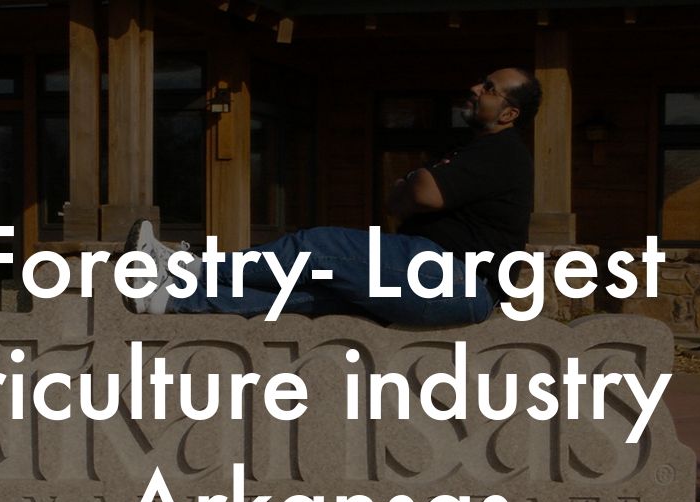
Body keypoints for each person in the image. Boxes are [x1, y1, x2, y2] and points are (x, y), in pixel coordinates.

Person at [126, 67, 541, 325]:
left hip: (457, 281)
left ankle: (187, 267)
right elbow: (397, 201)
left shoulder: (502, 152)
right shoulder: (473, 151)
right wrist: (414, 186)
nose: (475, 87)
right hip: (443, 283)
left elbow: (424, 193)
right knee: (309, 293)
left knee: (317, 247)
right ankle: (166, 297)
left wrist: (416, 183)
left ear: (509, 113)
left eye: (489, 88)